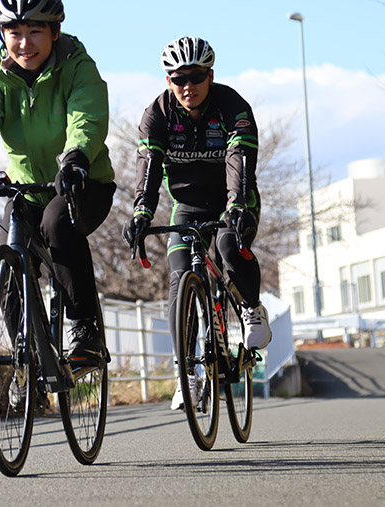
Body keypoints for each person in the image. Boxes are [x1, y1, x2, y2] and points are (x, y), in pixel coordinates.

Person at [0, 1, 116, 368]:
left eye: (35, 32)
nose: (24, 43)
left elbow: (87, 118)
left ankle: (85, 329)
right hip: (28, 189)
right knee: (13, 259)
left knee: (57, 223)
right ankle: (26, 361)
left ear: (54, 32)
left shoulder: (77, 66)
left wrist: (76, 157)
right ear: (2, 35)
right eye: (14, 33)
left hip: (83, 182)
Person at [122, 36, 272, 411]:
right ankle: (185, 371)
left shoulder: (232, 106)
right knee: (178, 278)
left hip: (232, 201)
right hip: (187, 206)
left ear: (210, 75)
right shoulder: (157, 113)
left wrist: (237, 205)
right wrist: (142, 211)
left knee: (226, 246)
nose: (187, 86)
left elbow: (239, 158)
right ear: (168, 80)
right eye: (177, 79)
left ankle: (252, 307)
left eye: (195, 77)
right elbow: (149, 168)